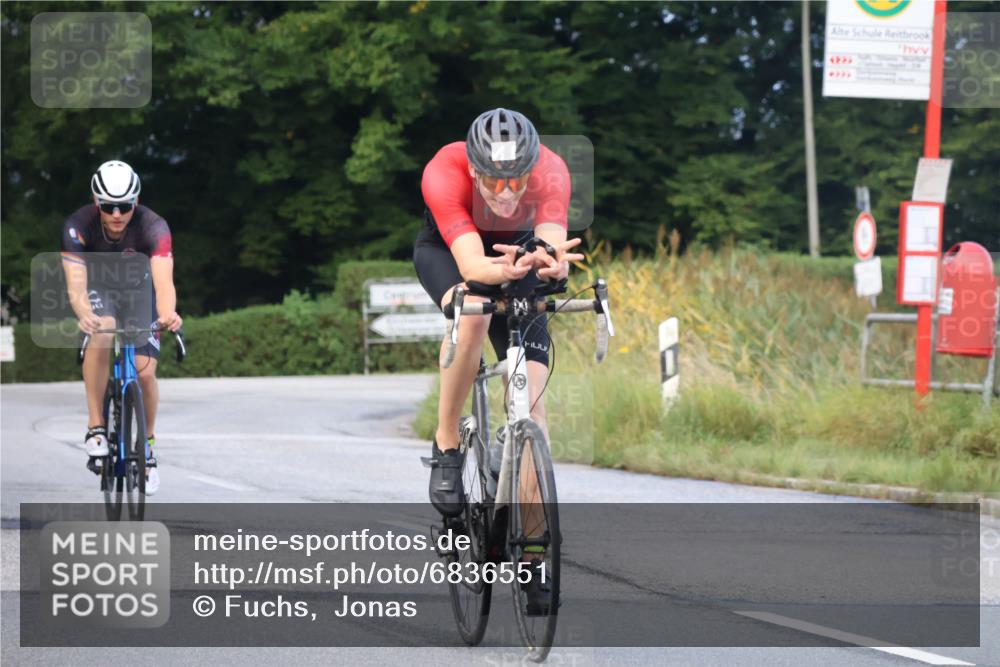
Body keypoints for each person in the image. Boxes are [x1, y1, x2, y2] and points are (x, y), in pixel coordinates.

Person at [414, 108, 584, 612]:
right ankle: (447, 444)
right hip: (452, 253)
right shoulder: (444, 170)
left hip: (518, 253)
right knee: (472, 315)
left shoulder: (552, 169)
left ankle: (533, 556)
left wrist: (551, 265)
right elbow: (471, 264)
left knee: (532, 407)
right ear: (473, 169)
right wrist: (498, 275)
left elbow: (550, 243)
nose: (507, 193)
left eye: (517, 180)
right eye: (493, 181)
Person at [60, 160, 182, 496]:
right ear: (96, 202)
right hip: (99, 291)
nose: (116, 214)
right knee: (104, 327)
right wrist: (84, 313)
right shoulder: (78, 225)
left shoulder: (154, 226)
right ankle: (95, 426)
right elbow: (76, 284)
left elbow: (164, 282)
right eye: (108, 206)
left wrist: (168, 313)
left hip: (140, 293)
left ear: (136, 202)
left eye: (125, 206)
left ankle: (148, 447)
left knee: (145, 373)